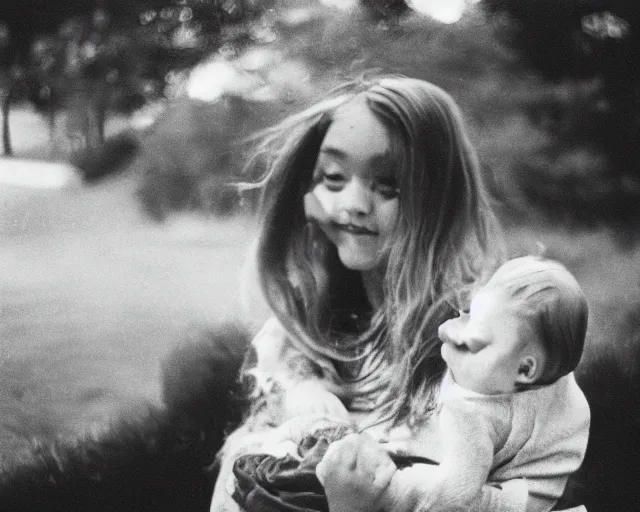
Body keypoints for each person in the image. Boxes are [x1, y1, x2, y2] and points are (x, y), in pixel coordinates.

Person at [209, 74, 517, 512]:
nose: (351, 203)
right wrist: (297, 394)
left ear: (441, 199)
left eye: (388, 185)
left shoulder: (474, 340)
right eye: (334, 177)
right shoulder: (309, 325)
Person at [316, 256, 591, 512]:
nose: (449, 332)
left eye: (472, 342)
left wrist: (371, 497)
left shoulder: (474, 417)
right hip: (527, 471)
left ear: (525, 369)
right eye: (467, 313)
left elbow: (452, 498)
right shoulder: (528, 366)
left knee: (400, 484)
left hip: (503, 498)